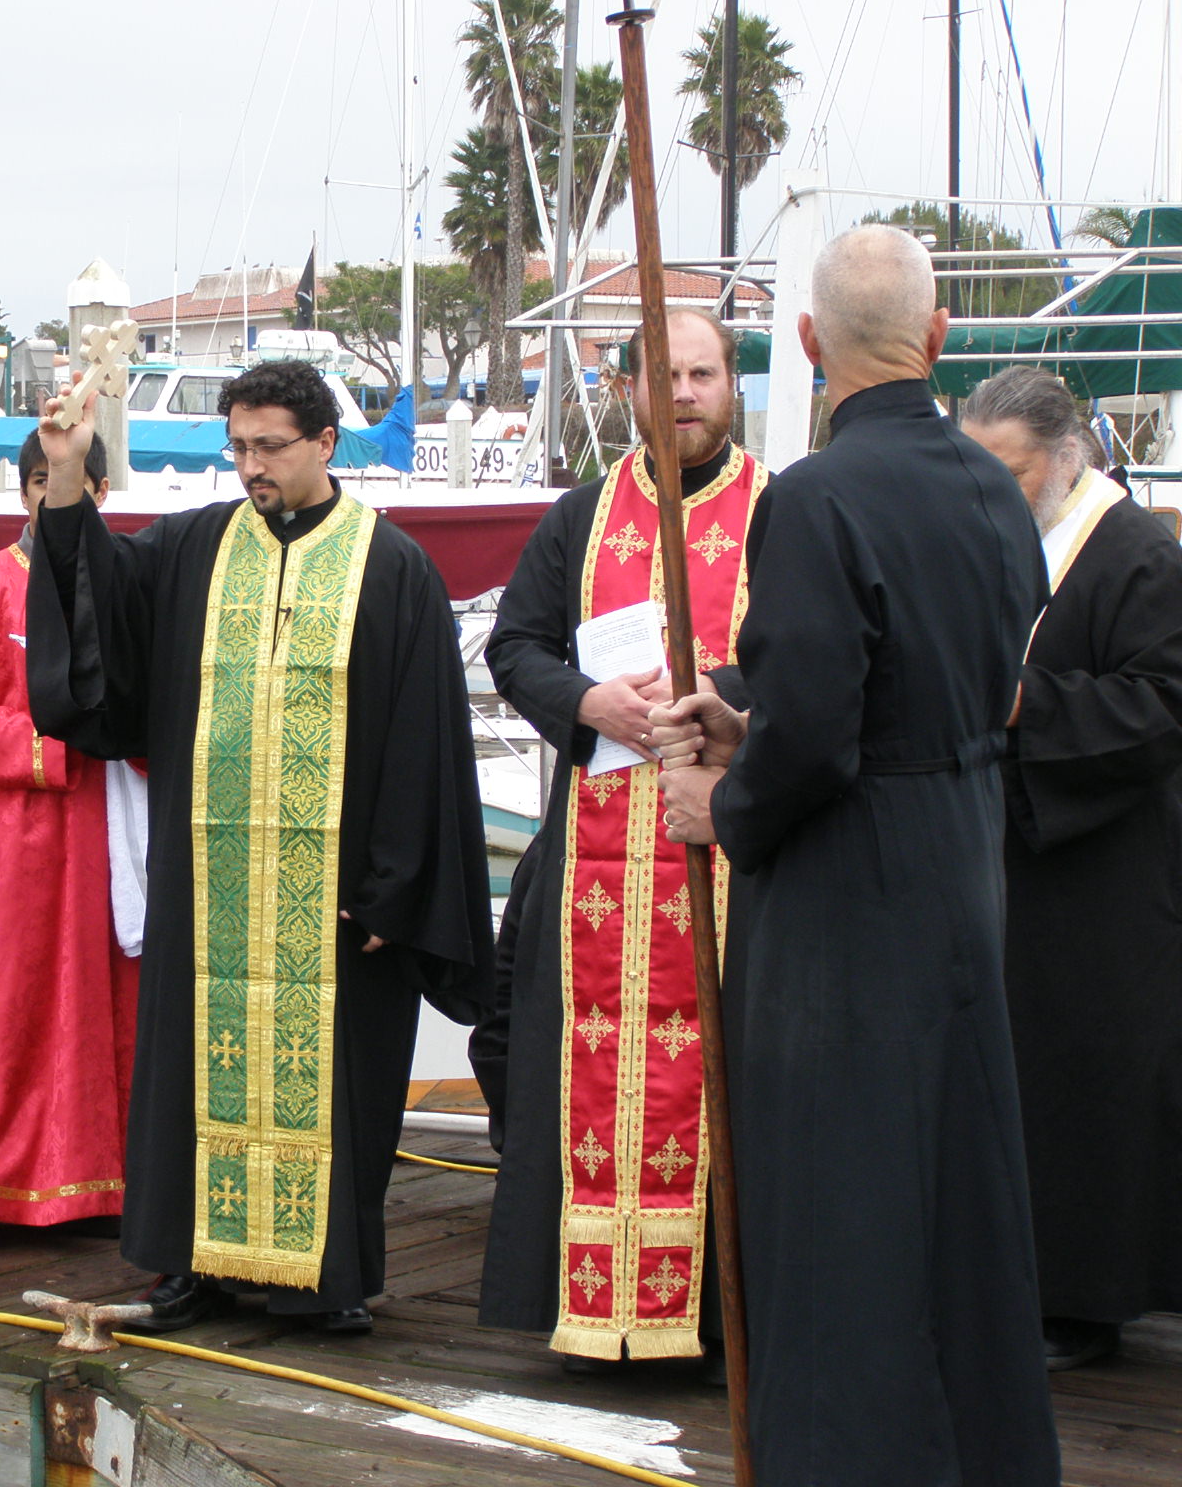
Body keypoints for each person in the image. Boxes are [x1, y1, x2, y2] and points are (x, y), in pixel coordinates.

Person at [650, 225, 1059, 1482]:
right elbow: (961, 687)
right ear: (937, 343)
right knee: (956, 1183)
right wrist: (758, 720)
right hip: (959, 861)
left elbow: (822, 740)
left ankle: (844, 1454)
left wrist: (725, 803)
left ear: (811, 345)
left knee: (835, 1193)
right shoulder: (995, 490)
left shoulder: (817, 497)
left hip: (843, 887)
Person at [26, 360, 495, 1334]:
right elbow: (100, 608)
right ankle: (194, 1264)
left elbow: (422, 745)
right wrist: (67, 478)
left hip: (336, 902)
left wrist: (390, 889)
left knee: (335, 1085)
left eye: (268, 447)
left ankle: (323, 1279)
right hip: (212, 890)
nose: (249, 468)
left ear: (324, 444)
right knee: (196, 1071)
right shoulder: (195, 546)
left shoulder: (390, 567)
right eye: (236, 448)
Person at [473, 309, 765, 1369]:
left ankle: (712, 1320)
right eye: (664, 376)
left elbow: (815, 665)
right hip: (593, 847)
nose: (683, 393)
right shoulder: (582, 517)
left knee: (729, 1080)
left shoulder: (779, 512)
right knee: (566, 1063)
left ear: (730, 384)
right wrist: (588, 701)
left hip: (730, 860)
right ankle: (590, 1312)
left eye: (701, 373)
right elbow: (514, 644)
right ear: (629, 392)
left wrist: (712, 697)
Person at [962, 364, 1182, 1371]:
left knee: (1084, 1080)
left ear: (1063, 458)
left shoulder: (1133, 553)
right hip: (1008, 848)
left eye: (1007, 472)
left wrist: (1020, 706)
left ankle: (1078, 1304)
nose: (992, 491)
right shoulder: (1001, 540)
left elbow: (1159, 705)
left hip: (1103, 866)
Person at [0, 429, 141, 1260]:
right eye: (44, 481)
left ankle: (100, 1184)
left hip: (108, 840)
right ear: (23, 492)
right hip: (8, 847)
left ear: (103, 494)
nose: (57, 497)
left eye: (75, 482)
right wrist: (65, 742)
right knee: (3, 1008)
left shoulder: (126, 588)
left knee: (109, 1006)